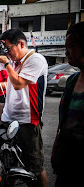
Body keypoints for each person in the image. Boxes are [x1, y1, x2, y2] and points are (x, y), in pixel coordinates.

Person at [0, 29, 48, 186]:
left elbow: (19, 84)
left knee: (35, 166)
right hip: (8, 118)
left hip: (28, 121)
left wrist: (6, 61)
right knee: (10, 162)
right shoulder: (13, 61)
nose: (7, 53)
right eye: (4, 49)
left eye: (8, 48)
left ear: (21, 44)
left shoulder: (36, 59)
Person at [51, 21, 84, 187]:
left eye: (71, 46)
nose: (66, 52)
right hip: (66, 157)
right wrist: (56, 149)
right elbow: (63, 122)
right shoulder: (71, 81)